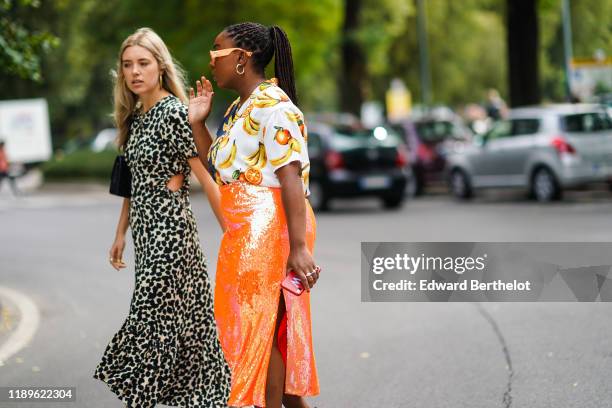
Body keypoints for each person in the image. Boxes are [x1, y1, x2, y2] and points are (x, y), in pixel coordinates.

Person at [92, 27, 231, 408]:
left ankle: (143, 399)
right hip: (146, 237)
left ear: (160, 66)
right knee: (185, 330)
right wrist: (120, 233)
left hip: (172, 235)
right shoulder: (135, 118)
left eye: (143, 63)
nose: (135, 72)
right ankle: (212, 397)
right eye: (127, 65)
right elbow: (132, 183)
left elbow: (206, 177)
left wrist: (232, 234)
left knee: (151, 323)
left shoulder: (173, 113)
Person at [188, 22, 321, 408]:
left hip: (267, 227)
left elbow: (291, 178)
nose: (211, 61)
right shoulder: (239, 109)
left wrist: (298, 248)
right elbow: (219, 169)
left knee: (258, 327)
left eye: (217, 51)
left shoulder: (276, 107)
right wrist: (198, 123)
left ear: (242, 59)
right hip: (244, 228)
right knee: (265, 327)